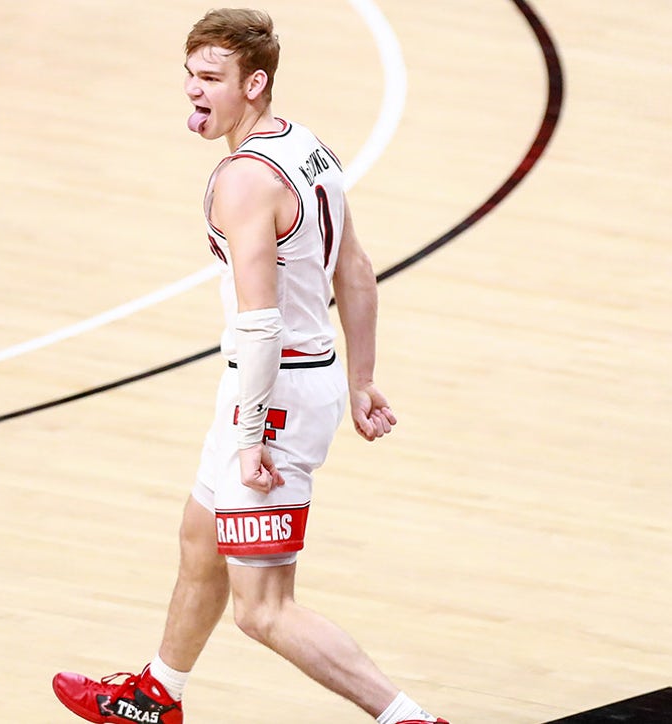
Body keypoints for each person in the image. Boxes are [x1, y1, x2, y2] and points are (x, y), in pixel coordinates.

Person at [53, 9, 447, 724]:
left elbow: (261, 324)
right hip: (297, 378)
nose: (192, 92)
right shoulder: (308, 149)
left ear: (254, 84)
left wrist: (250, 435)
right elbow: (354, 268)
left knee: (264, 611)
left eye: (210, 79)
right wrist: (359, 380)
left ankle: (408, 719)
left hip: (273, 393)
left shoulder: (242, 180)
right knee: (200, 537)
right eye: (189, 75)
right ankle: (156, 695)